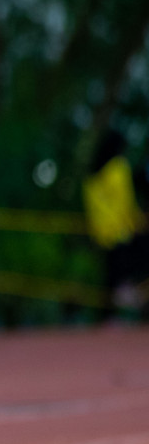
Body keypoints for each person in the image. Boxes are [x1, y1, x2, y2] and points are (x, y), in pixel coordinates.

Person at [83, 130, 148, 320]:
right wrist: (136, 222)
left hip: (102, 232)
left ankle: (109, 317)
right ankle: (133, 300)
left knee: (110, 275)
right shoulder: (118, 168)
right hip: (121, 230)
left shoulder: (93, 174)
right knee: (132, 266)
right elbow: (125, 201)